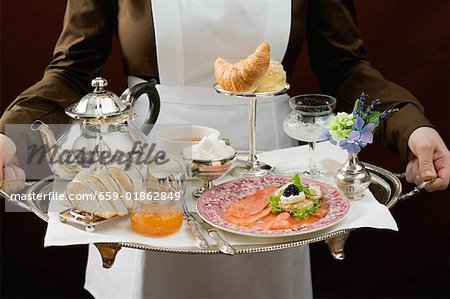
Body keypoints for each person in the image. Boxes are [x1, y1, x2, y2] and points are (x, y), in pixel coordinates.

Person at [0, 0, 448, 298]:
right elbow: (72, 70)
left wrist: (411, 128)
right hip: (148, 172)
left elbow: (345, 67)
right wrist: (10, 135)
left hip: (267, 173)